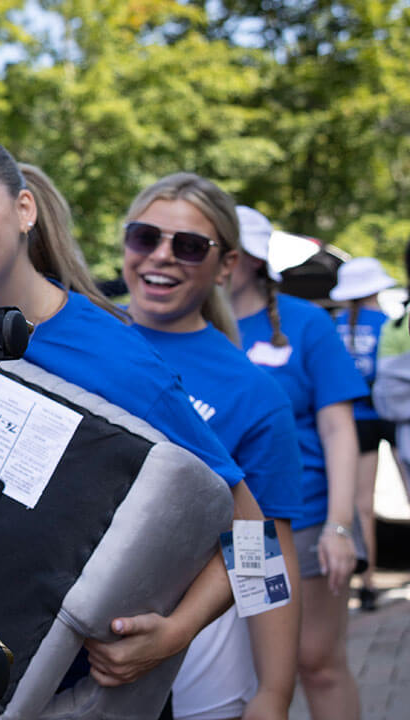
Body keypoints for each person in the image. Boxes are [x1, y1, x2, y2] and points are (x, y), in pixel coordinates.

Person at [0, 136, 261, 719]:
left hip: (67, 692)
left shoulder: (121, 365)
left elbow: (253, 528)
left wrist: (178, 632)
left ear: (25, 211)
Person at [121, 173, 304, 720]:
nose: (161, 256)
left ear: (226, 265)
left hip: (193, 657)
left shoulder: (252, 392)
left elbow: (261, 546)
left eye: (190, 246)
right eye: (144, 236)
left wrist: (273, 691)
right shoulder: (83, 334)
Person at [228, 205, 367, 720]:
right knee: (254, 671)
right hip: (237, 532)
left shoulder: (307, 323)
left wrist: (340, 525)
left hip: (303, 521)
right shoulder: (185, 324)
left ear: (254, 260)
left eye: (232, 249)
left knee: (316, 660)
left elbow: (337, 428)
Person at [330, 257, 398, 611]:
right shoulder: (390, 323)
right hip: (395, 415)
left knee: (362, 505)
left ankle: (367, 581)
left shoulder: (335, 326)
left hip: (355, 420)